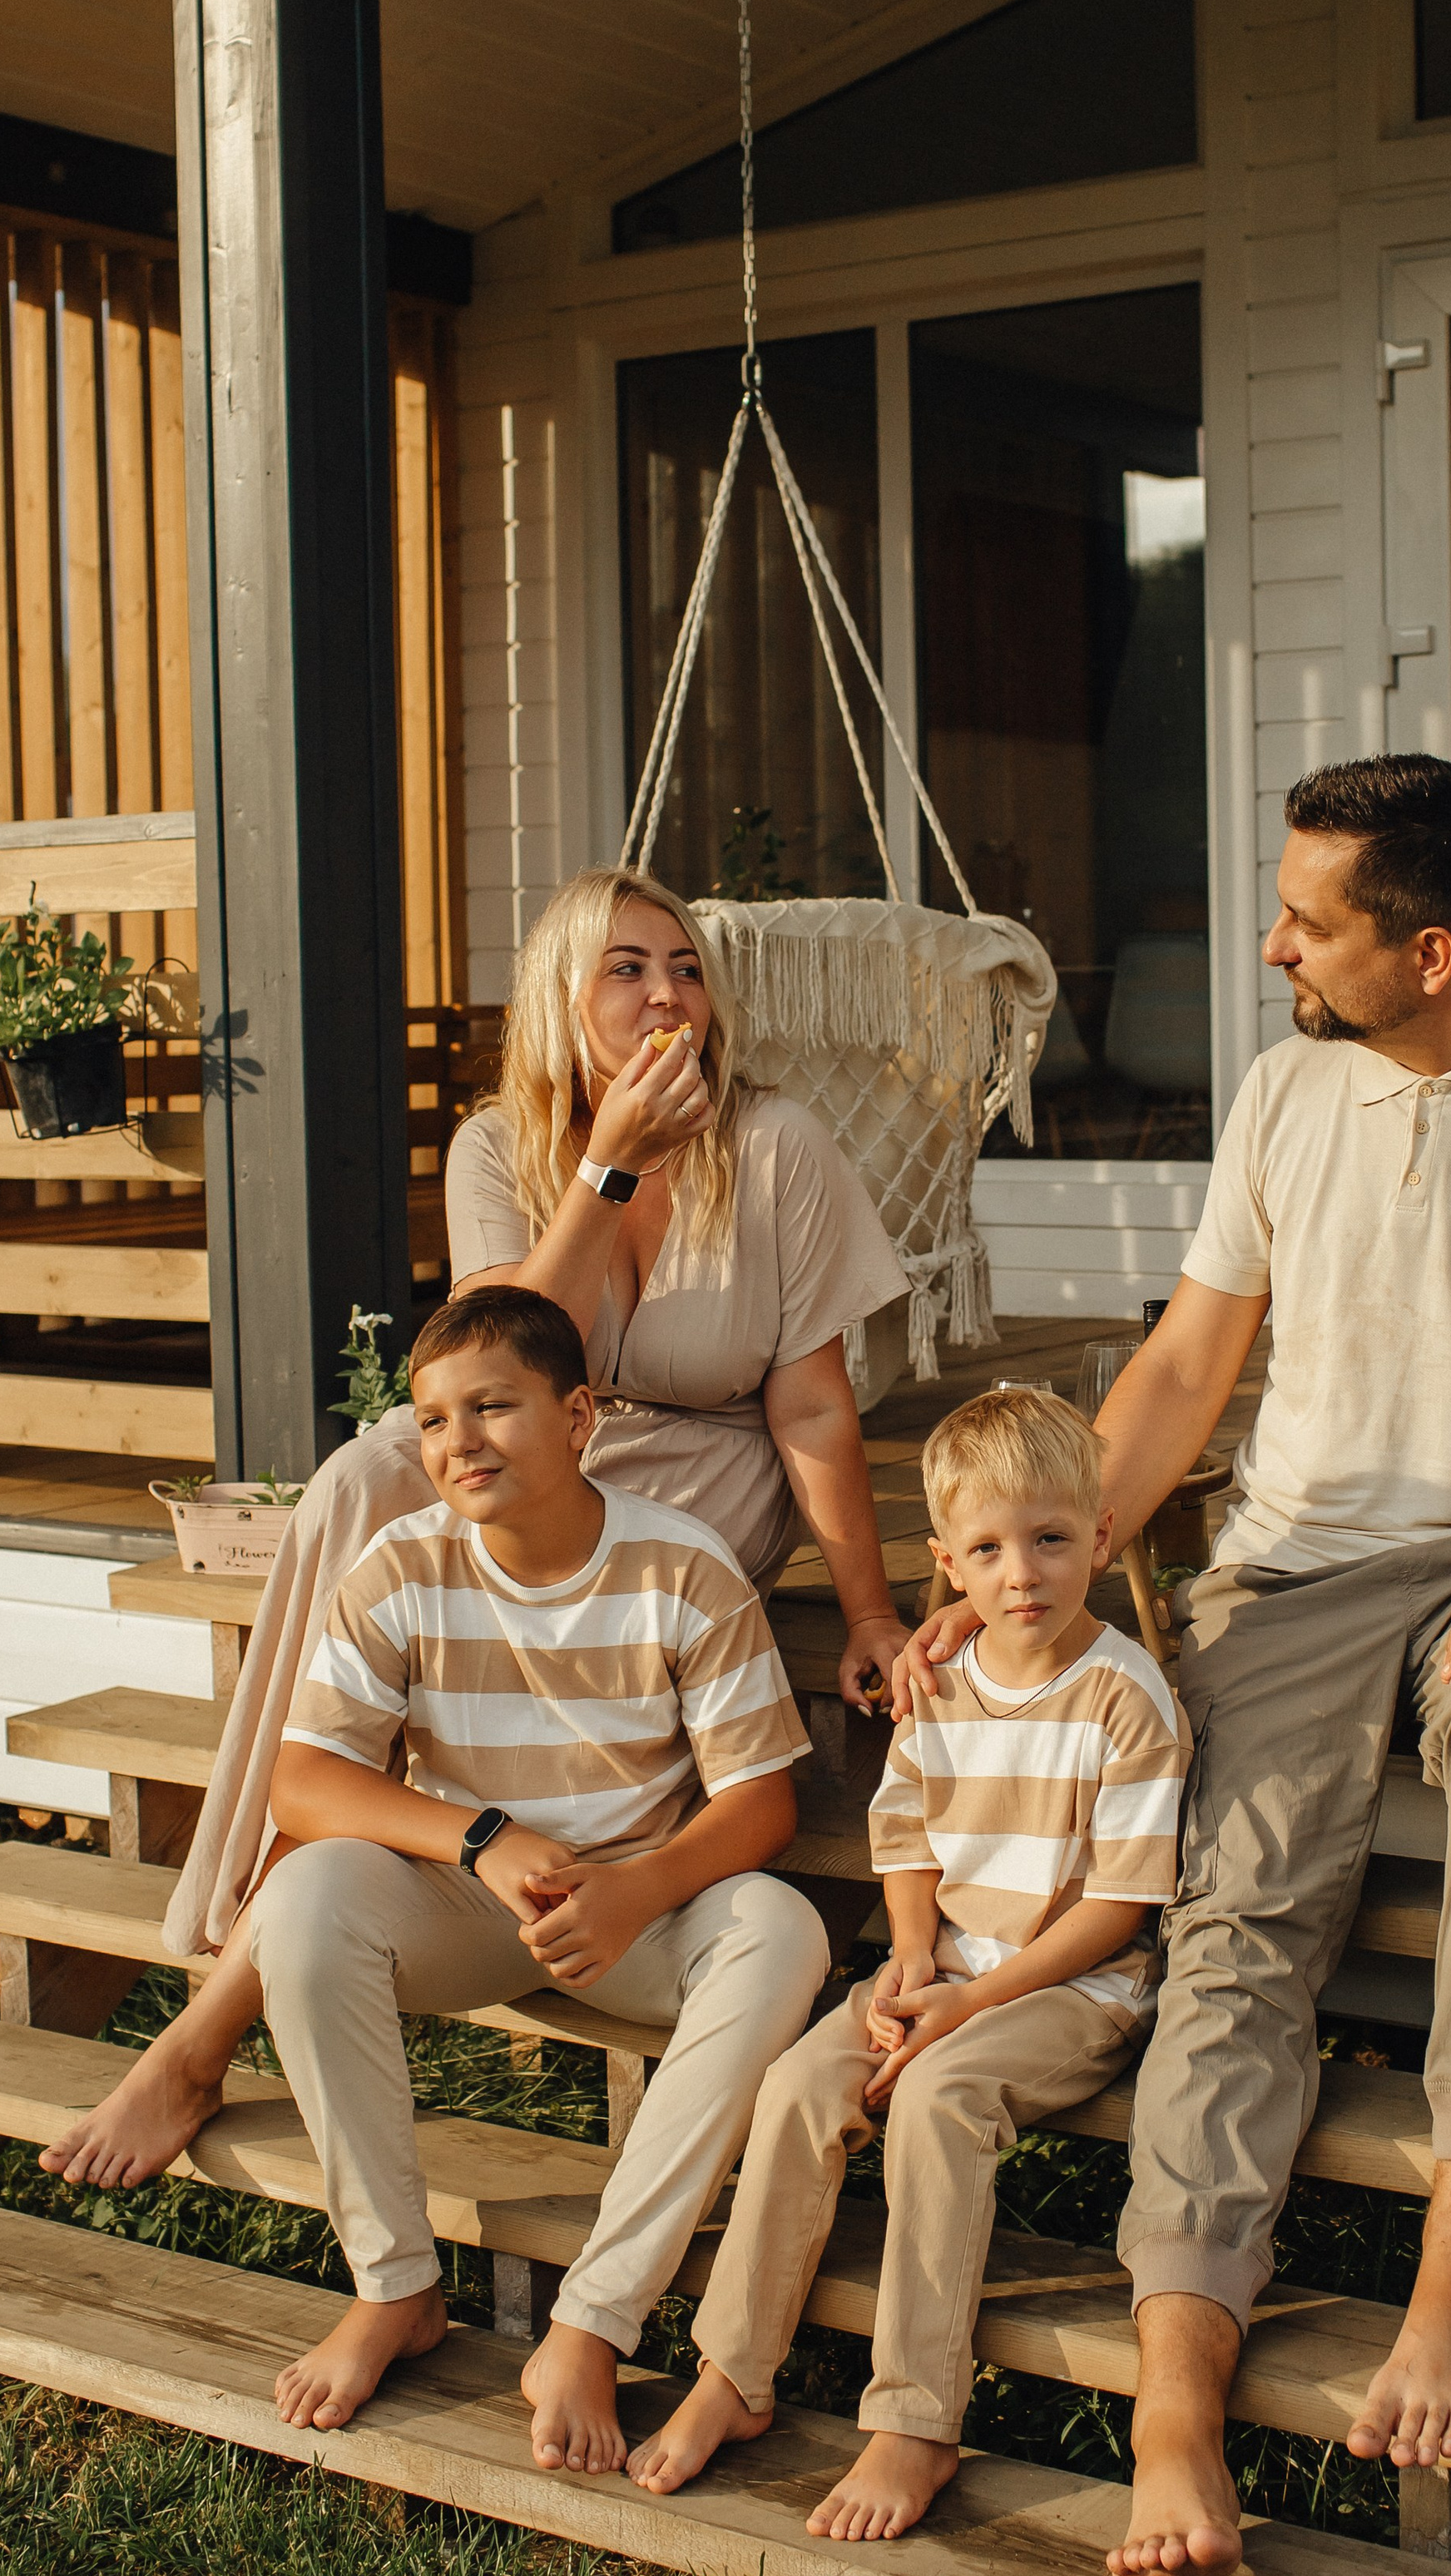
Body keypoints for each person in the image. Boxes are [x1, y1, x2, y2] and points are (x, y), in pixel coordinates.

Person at [897, 754, 1451, 2576]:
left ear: (1429, 949)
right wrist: (1008, 1584)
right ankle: (1178, 2388)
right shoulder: (1285, 1091)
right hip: (1289, 1578)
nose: (1272, 949)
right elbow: (1183, 1366)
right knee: (1232, 1925)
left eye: (1306, 922)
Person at [44, 863, 907, 2193]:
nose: (667, 995)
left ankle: (209, 2026)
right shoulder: (499, 1147)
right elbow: (498, 1357)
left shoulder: (774, 1141)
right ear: (563, 996)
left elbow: (811, 1403)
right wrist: (608, 1167)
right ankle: (271, 1917)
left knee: (474, 1508)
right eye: (628, 969)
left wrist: (867, 1609)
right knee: (364, 1474)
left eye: (685, 968)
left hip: (700, 1460)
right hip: (526, 1427)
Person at [247, 1281, 824, 2462]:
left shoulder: (683, 1566)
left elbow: (763, 1802)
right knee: (304, 1899)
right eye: (434, 1419)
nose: (460, 1442)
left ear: (578, 1416)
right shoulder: (402, 1566)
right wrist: (477, 1837)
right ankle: (394, 2286)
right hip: (465, 1905)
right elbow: (301, 1784)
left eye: (494, 1407)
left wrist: (642, 1888)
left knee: (781, 1933)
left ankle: (593, 2322)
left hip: (637, 1916)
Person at [630, 1388, 1185, 2542]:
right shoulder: (942, 1684)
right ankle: (734, 2370)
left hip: (1071, 1987)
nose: (1021, 1575)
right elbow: (909, 1837)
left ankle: (917, 2420)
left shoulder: (1126, 1696)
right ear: (947, 1562)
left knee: (936, 2099)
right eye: (988, 1550)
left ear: (1101, 1536)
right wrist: (914, 1957)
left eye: (1051, 1539)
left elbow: (1122, 1906)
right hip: (945, 1964)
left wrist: (967, 2002)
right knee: (798, 2083)